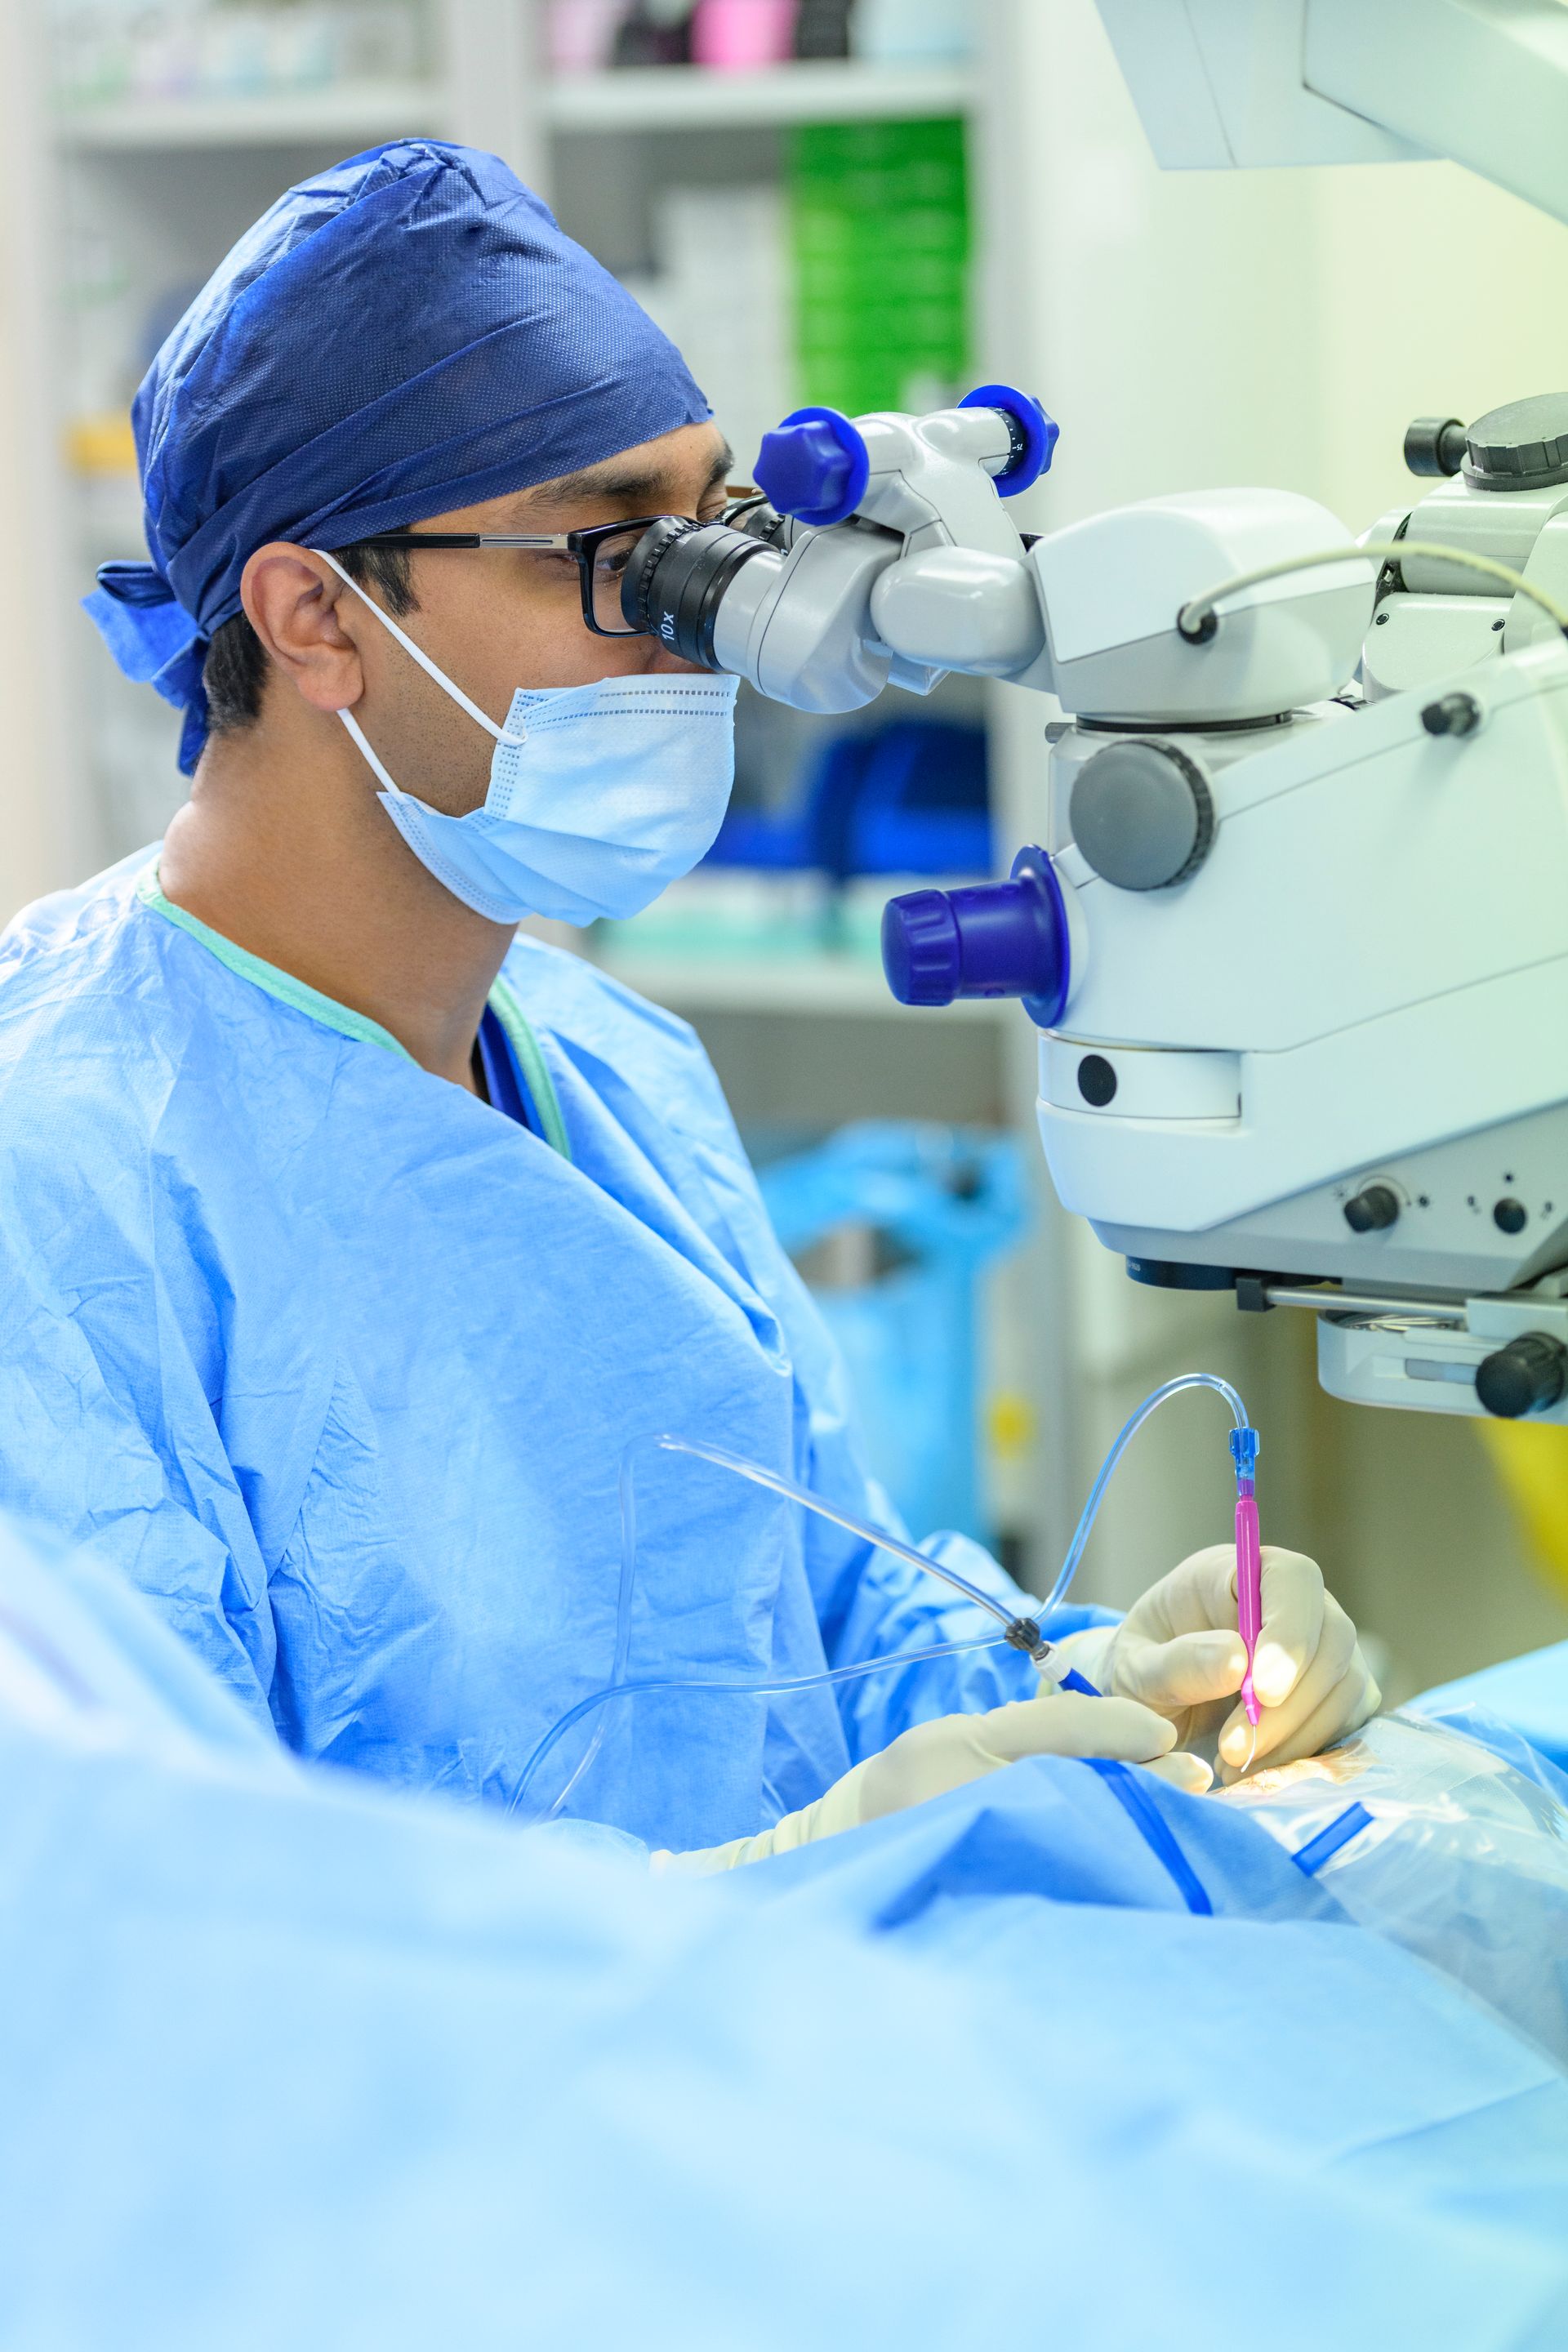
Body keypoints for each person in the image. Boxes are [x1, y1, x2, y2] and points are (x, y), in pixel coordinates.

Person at [0, 140, 1375, 1863]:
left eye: (710, 531)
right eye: (612, 558)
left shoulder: (611, 1065)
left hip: (735, 2061)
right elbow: (157, 1932)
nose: (704, 632)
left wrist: (1088, 1679)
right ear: (314, 617)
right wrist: (758, 1892)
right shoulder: (52, 1182)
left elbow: (834, 1636)